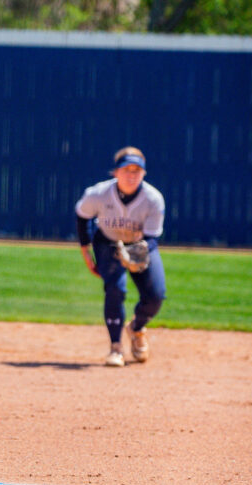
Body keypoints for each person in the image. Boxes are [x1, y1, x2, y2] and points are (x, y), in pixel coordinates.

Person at [75, 146, 167, 367]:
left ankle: (136, 328)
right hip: (108, 242)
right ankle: (116, 347)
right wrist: (86, 251)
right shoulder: (98, 193)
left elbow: (153, 236)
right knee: (115, 288)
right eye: (126, 170)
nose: (131, 175)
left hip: (140, 245)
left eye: (137, 171)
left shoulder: (153, 199)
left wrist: (141, 249)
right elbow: (82, 216)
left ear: (144, 174)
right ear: (116, 172)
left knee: (156, 295)